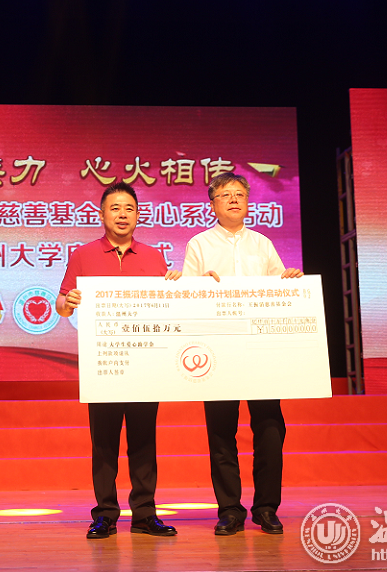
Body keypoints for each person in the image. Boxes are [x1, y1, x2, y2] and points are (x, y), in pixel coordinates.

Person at [56, 181, 181, 539]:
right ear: (102, 214)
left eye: (129, 208)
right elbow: (61, 305)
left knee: (144, 442)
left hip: (145, 364)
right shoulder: (82, 255)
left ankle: (145, 514)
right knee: (104, 444)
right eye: (115, 208)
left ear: (138, 215)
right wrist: (69, 301)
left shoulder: (155, 256)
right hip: (105, 364)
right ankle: (105, 514)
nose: (122, 215)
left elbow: (167, 308)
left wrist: (177, 287)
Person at [181, 173, 303, 536]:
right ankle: (230, 510)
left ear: (248, 202)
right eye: (225, 195)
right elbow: (185, 296)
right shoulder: (199, 244)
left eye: (239, 194)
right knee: (221, 432)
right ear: (212, 205)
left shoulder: (263, 244)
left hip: (260, 349)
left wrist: (291, 282)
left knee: (270, 429)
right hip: (217, 349)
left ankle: (266, 507)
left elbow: (280, 290)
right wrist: (200, 288)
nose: (234, 199)